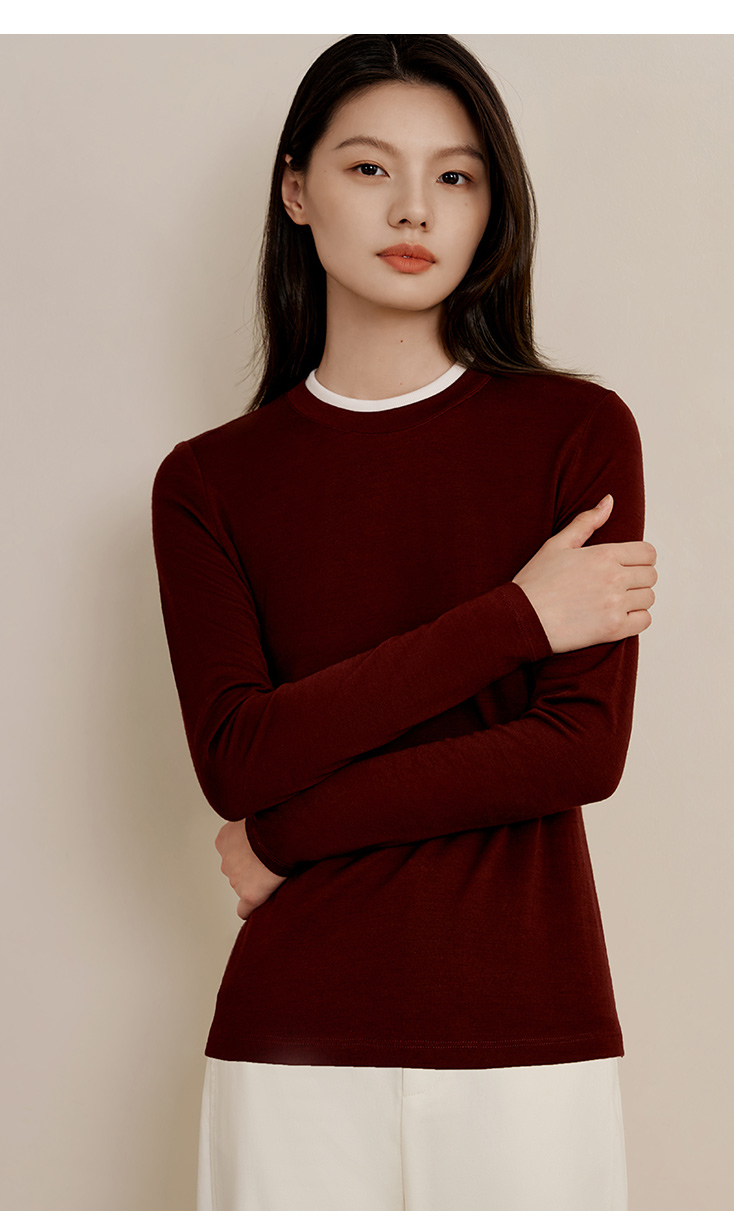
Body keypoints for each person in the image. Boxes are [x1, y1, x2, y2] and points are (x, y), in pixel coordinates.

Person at [150, 34, 657, 1212]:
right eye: (370, 167)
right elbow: (238, 758)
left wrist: (285, 837)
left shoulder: (576, 434)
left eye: (456, 174)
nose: (415, 207)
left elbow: (578, 750)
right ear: (296, 190)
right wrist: (516, 617)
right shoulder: (210, 481)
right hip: (291, 1039)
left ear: (491, 207)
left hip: (528, 1026)